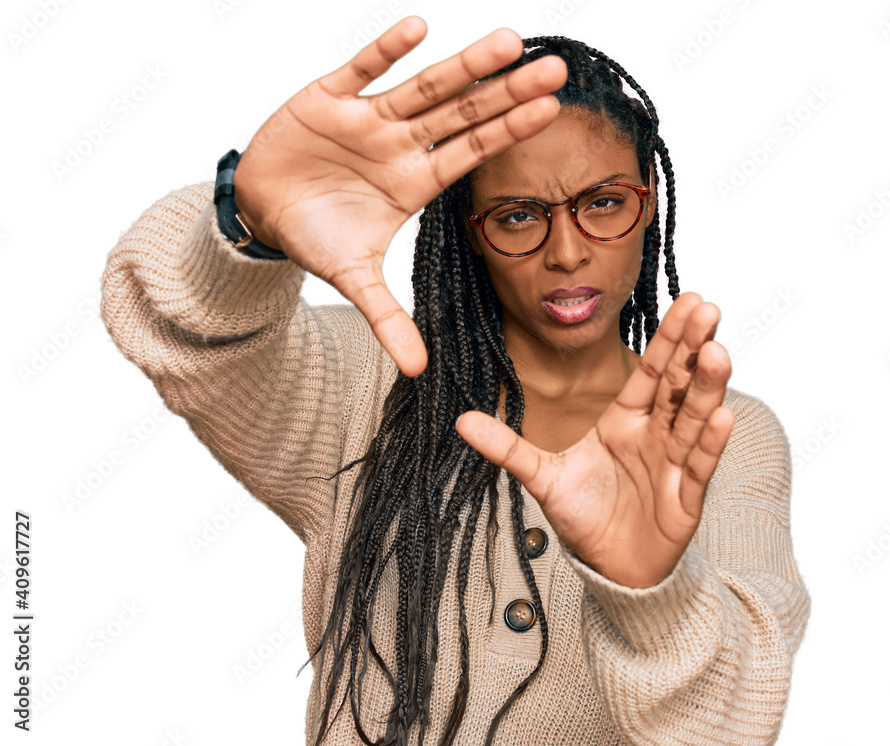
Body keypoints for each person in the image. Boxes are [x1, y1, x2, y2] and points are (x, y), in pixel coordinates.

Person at [100, 16, 810, 746]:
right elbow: (179, 332)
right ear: (469, 228)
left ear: (649, 196)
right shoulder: (364, 379)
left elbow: (735, 722)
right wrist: (250, 223)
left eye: (603, 202)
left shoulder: (724, 438)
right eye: (517, 216)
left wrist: (651, 596)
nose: (567, 253)